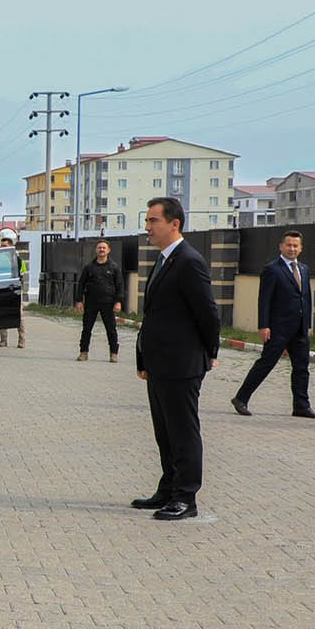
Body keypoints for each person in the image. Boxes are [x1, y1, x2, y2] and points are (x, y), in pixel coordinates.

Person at [131, 198, 219, 521]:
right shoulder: (165, 260)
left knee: (183, 431)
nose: (148, 227)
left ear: (174, 224)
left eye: (154, 221)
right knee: (164, 431)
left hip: (182, 364)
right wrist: (143, 358)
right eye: (147, 220)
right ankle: (168, 487)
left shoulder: (189, 261)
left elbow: (207, 313)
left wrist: (210, 352)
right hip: (159, 363)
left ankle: (186, 496)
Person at [228, 231, 315, 419]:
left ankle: (301, 406)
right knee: (266, 363)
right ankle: (241, 398)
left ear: (301, 248)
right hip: (278, 328)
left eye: (296, 246)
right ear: (281, 246)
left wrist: (308, 324)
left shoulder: (303, 269)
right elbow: (264, 299)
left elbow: (306, 298)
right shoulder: (272, 269)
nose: (292, 249)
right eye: (289, 245)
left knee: (302, 368)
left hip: (299, 328)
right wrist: (264, 326)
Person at [75, 240, 123, 363]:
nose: (101, 250)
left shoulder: (114, 268)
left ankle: (113, 353)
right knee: (87, 328)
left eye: (104, 248)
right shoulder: (89, 267)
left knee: (111, 329)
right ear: (96, 250)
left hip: (108, 302)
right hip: (91, 302)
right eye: (99, 248)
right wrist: (79, 300)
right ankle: (83, 352)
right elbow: (81, 284)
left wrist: (118, 302)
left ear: (108, 250)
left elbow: (120, 286)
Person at [0, 229, 26, 349]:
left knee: (19, 315)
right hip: (2, 288)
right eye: (2, 245)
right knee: (2, 314)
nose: (3, 247)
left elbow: (22, 274)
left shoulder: (17, 259)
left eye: (5, 245)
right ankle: (3, 340)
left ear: (11, 245)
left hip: (14, 288)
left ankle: (22, 340)